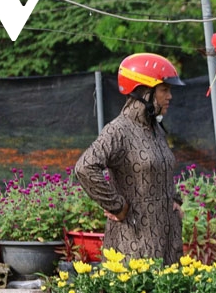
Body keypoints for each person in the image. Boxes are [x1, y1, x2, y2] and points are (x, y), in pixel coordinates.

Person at [74, 53, 185, 265]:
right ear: (145, 91)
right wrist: (117, 205)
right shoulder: (118, 131)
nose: (170, 96)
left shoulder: (156, 129)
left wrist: (175, 201)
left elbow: (159, 169)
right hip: (133, 245)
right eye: (164, 90)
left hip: (167, 242)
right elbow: (85, 168)